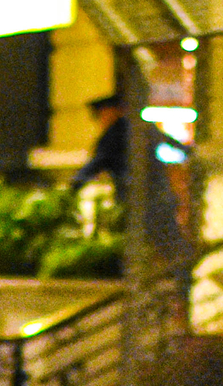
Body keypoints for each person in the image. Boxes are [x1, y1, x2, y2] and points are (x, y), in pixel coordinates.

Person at [71, 92, 189, 265]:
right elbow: (170, 142)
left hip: (134, 196)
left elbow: (100, 160)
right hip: (157, 191)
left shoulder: (114, 133)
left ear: (112, 112)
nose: (100, 120)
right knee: (166, 236)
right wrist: (189, 153)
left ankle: (154, 269)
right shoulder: (140, 127)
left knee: (145, 236)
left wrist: (77, 181)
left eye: (101, 115)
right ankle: (177, 266)